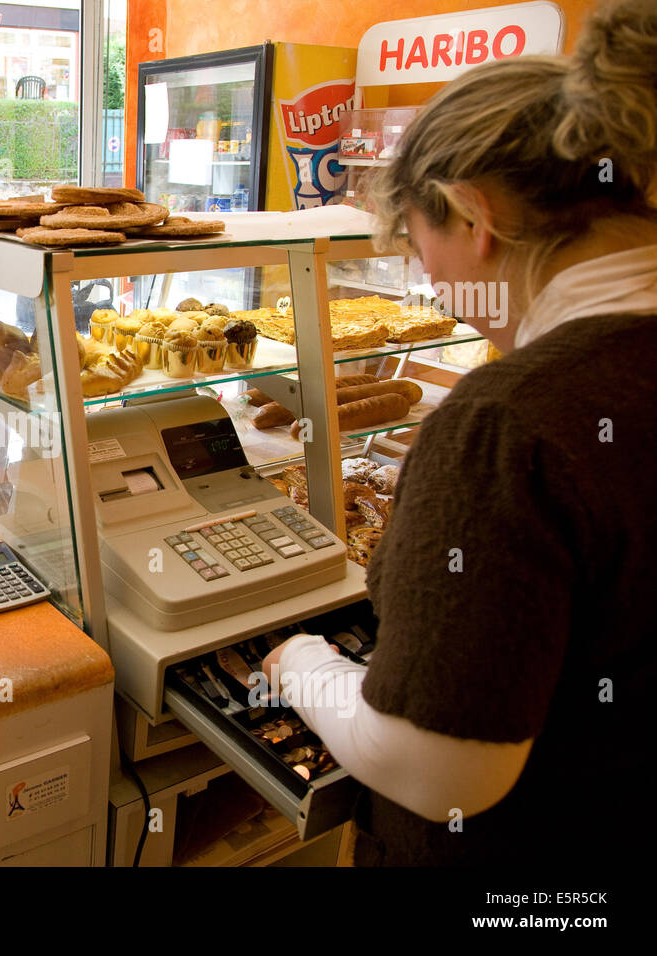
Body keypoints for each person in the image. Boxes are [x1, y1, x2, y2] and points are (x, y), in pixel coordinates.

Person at [263, 0, 656, 867]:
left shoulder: (505, 426)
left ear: (473, 216)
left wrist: (303, 666)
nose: (426, 277)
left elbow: (437, 771)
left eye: (414, 240)